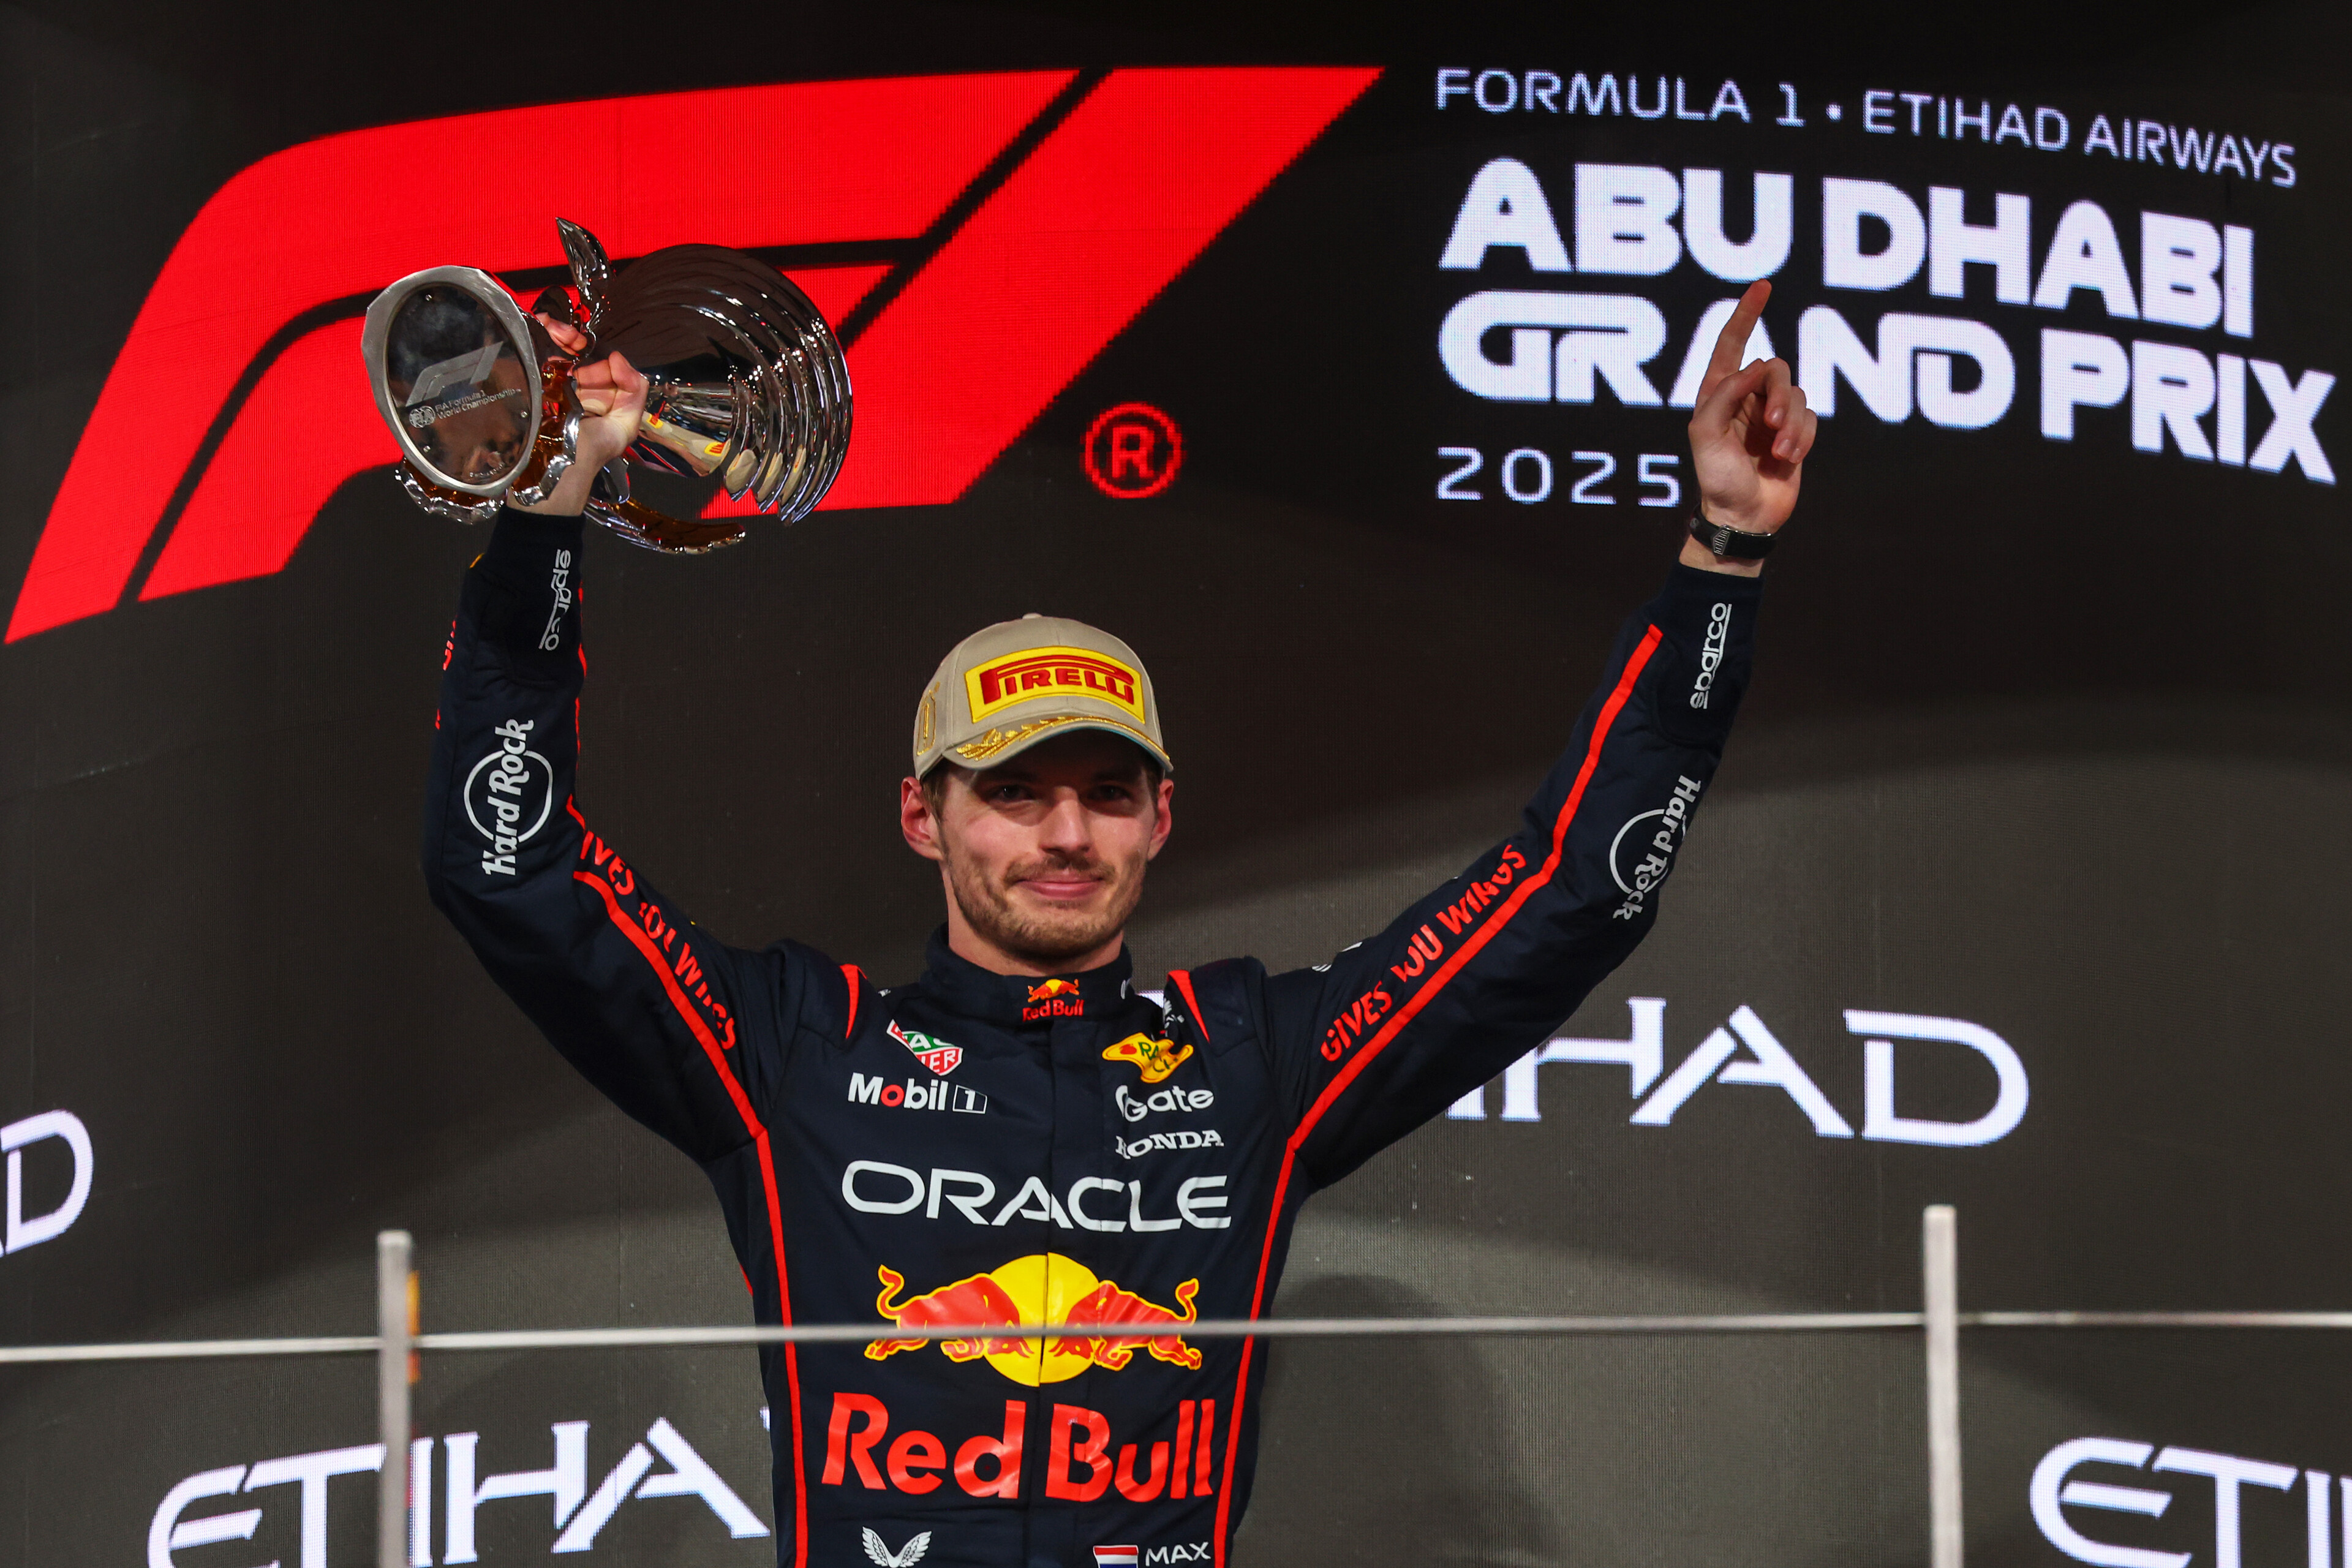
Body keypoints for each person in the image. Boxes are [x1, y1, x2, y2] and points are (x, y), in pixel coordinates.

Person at [423, 279, 1814, 1568]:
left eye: (1106, 792)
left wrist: (1724, 554)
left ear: (1162, 818)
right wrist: (547, 510)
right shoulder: (791, 1049)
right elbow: (506, 865)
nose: (1066, 835)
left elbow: (1575, 891)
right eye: (1014, 792)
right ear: (922, 817)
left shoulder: (1252, 1061)